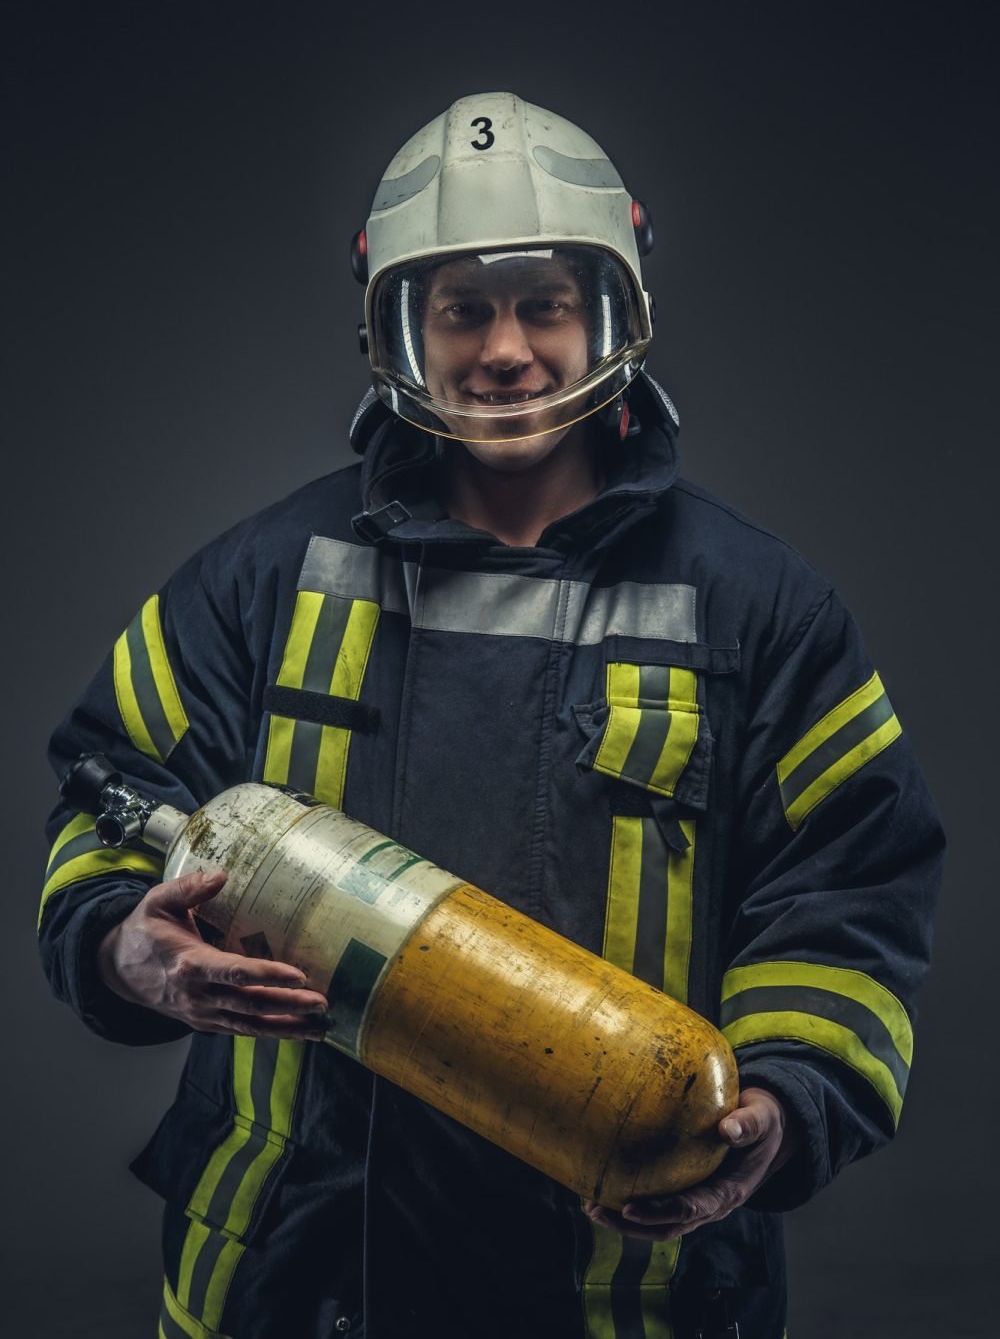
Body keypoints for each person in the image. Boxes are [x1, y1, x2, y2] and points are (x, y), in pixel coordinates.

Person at [39, 92, 943, 1339]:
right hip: (298, 1282)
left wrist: (779, 1108)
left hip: (620, 1289)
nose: (505, 350)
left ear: (612, 312)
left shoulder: (759, 611)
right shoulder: (266, 575)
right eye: (460, 309)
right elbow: (105, 783)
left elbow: (851, 896)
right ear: (394, 332)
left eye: (544, 304)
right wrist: (123, 949)